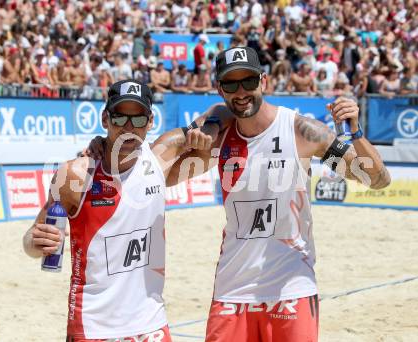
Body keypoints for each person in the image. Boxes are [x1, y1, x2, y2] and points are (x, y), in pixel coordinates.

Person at [166, 46, 391, 341]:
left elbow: (377, 180)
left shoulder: (301, 132)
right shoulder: (220, 136)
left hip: (291, 288)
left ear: (264, 82)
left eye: (248, 81)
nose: (241, 91)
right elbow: (165, 177)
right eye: (231, 84)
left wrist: (356, 135)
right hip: (232, 289)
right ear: (220, 89)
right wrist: (190, 141)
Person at [22, 79, 214, 341]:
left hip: (151, 324)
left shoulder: (162, 159)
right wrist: (35, 241)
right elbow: (31, 241)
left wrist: (202, 140)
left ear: (150, 122)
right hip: (93, 326)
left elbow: (219, 115)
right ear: (104, 118)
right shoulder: (74, 174)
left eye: (137, 120)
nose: (127, 128)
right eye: (119, 118)